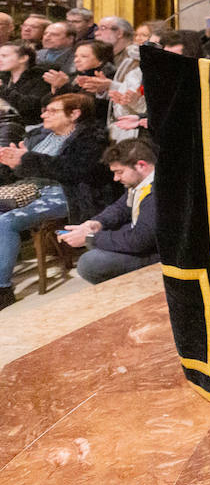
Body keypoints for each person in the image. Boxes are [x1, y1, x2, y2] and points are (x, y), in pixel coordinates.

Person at [0, 93, 110, 310]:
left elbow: (73, 171)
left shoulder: (91, 137)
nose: (44, 115)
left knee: (6, 222)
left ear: (75, 114)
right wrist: (13, 163)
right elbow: (22, 172)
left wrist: (27, 160)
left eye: (52, 111)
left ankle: (3, 290)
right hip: (33, 189)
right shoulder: (40, 137)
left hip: (68, 194)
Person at [60, 137, 160, 283]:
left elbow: (140, 240)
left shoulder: (157, 192)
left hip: (159, 254)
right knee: (99, 250)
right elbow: (121, 207)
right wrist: (98, 223)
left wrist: (91, 238)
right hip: (144, 242)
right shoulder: (140, 183)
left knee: (90, 263)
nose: (115, 178)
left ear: (141, 165)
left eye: (119, 172)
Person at [91, 17, 145, 141]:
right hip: (116, 124)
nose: (97, 33)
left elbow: (139, 92)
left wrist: (110, 85)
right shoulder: (115, 57)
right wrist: (102, 88)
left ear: (120, 33)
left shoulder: (136, 58)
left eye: (103, 28)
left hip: (135, 127)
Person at [47, 39, 116, 125]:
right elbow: (46, 102)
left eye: (84, 56)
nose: (76, 60)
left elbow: (89, 108)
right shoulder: (78, 76)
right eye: (76, 56)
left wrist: (64, 86)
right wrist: (55, 88)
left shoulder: (108, 78)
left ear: (100, 61)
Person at [0, 41, 50, 130]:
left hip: (28, 128)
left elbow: (30, 106)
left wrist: (2, 89)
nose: (0, 59)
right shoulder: (4, 77)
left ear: (23, 58)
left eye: (4, 56)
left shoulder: (41, 78)